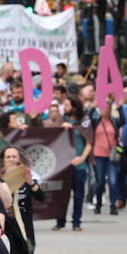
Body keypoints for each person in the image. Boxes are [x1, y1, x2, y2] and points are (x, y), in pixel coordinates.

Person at [53, 96, 93, 231]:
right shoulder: (61, 119)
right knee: (61, 194)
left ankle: (77, 222)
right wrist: (61, 128)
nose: (64, 108)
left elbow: (89, 143)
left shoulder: (84, 121)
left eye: (67, 105)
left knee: (78, 195)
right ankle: (60, 222)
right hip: (63, 164)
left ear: (74, 108)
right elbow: (51, 136)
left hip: (78, 165)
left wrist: (82, 158)